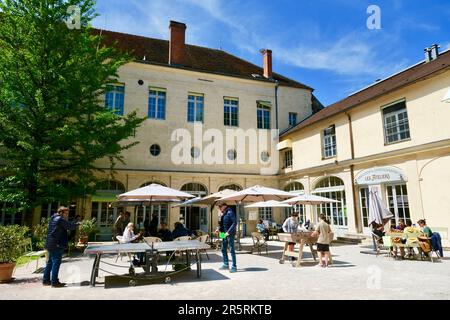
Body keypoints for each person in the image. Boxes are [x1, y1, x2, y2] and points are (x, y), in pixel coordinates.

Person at [43, 206, 79, 288]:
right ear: (61, 212)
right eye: (66, 213)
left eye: (67, 213)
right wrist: (77, 223)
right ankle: (54, 282)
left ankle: (46, 280)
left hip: (50, 244)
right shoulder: (60, 219)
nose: (67, 215)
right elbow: (70, 226)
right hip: (57, 244)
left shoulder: (53, 218)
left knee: (49, 263)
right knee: (56, 263)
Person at [216, 203, 237, 273]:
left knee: (231, 249)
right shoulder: (223, 213)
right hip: (223, 233)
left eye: (220, 207)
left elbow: (234, 223)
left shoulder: (230, 212)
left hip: (229, 233)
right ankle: (226, 264)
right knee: (223, 249)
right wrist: (218, 229)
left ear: (224, 206)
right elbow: (221, 224)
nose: (219, 208)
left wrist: (228, 232)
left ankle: (234, 266)